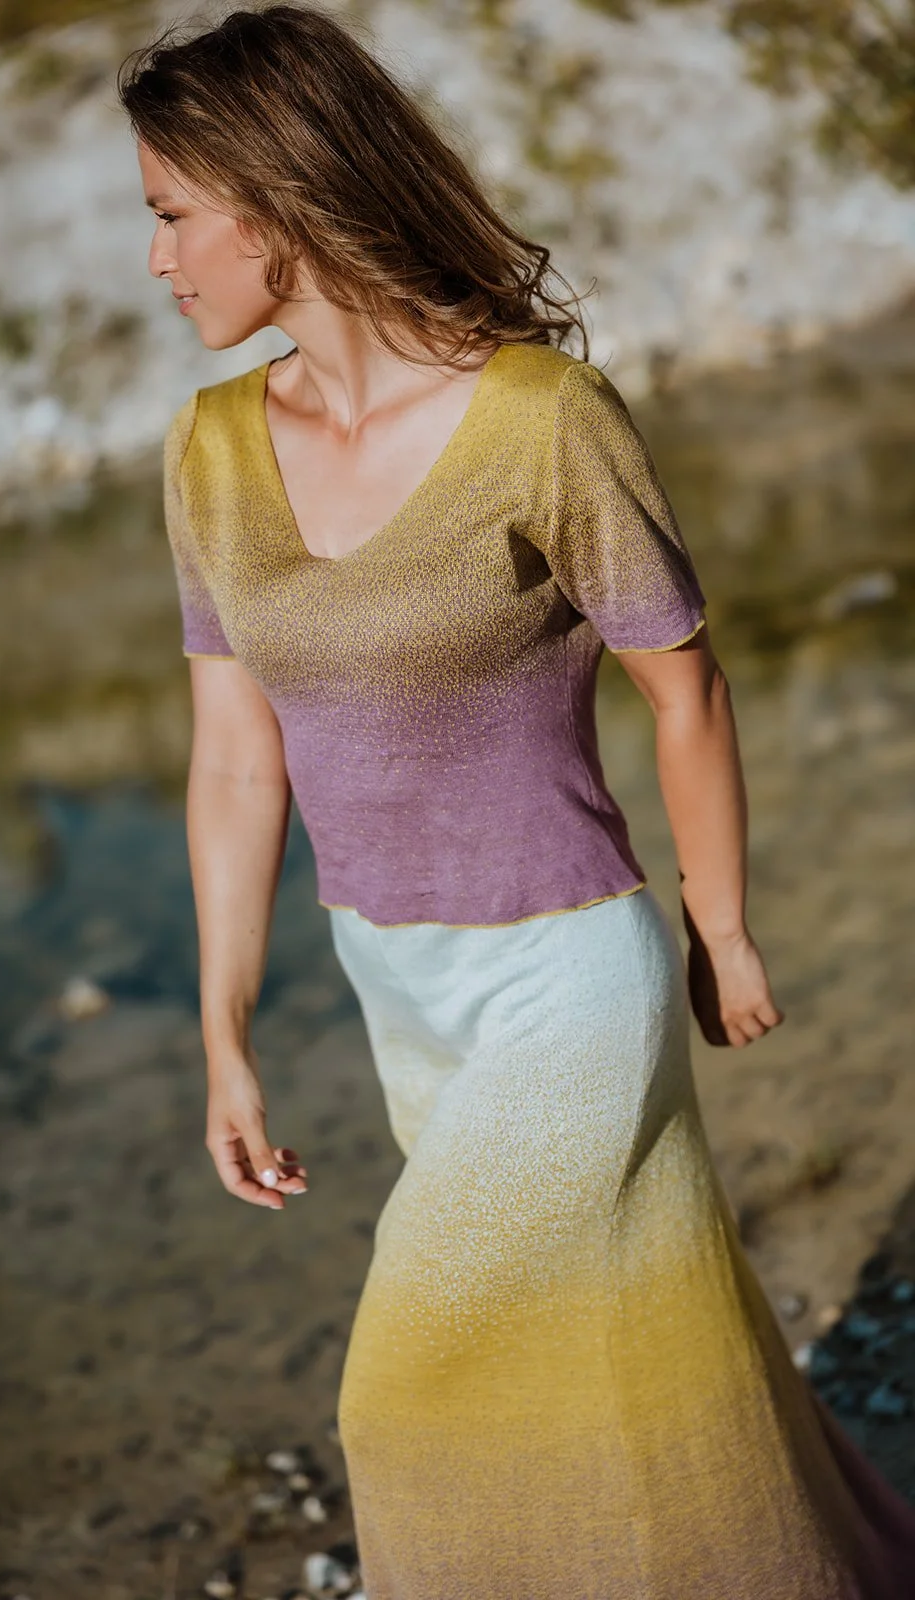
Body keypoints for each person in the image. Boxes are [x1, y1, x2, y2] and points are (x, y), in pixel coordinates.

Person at [119, 6, 915, 1595]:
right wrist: (224, 1029)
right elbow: (231, 753)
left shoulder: (540, 420)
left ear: (271, 207)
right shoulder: (206, 451)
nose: (156, 262)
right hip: (393, 980)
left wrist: (720, 924)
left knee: (407, 1386)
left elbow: (678, 682)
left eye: (167, 216)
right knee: (627, 1355)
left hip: (567, 975)